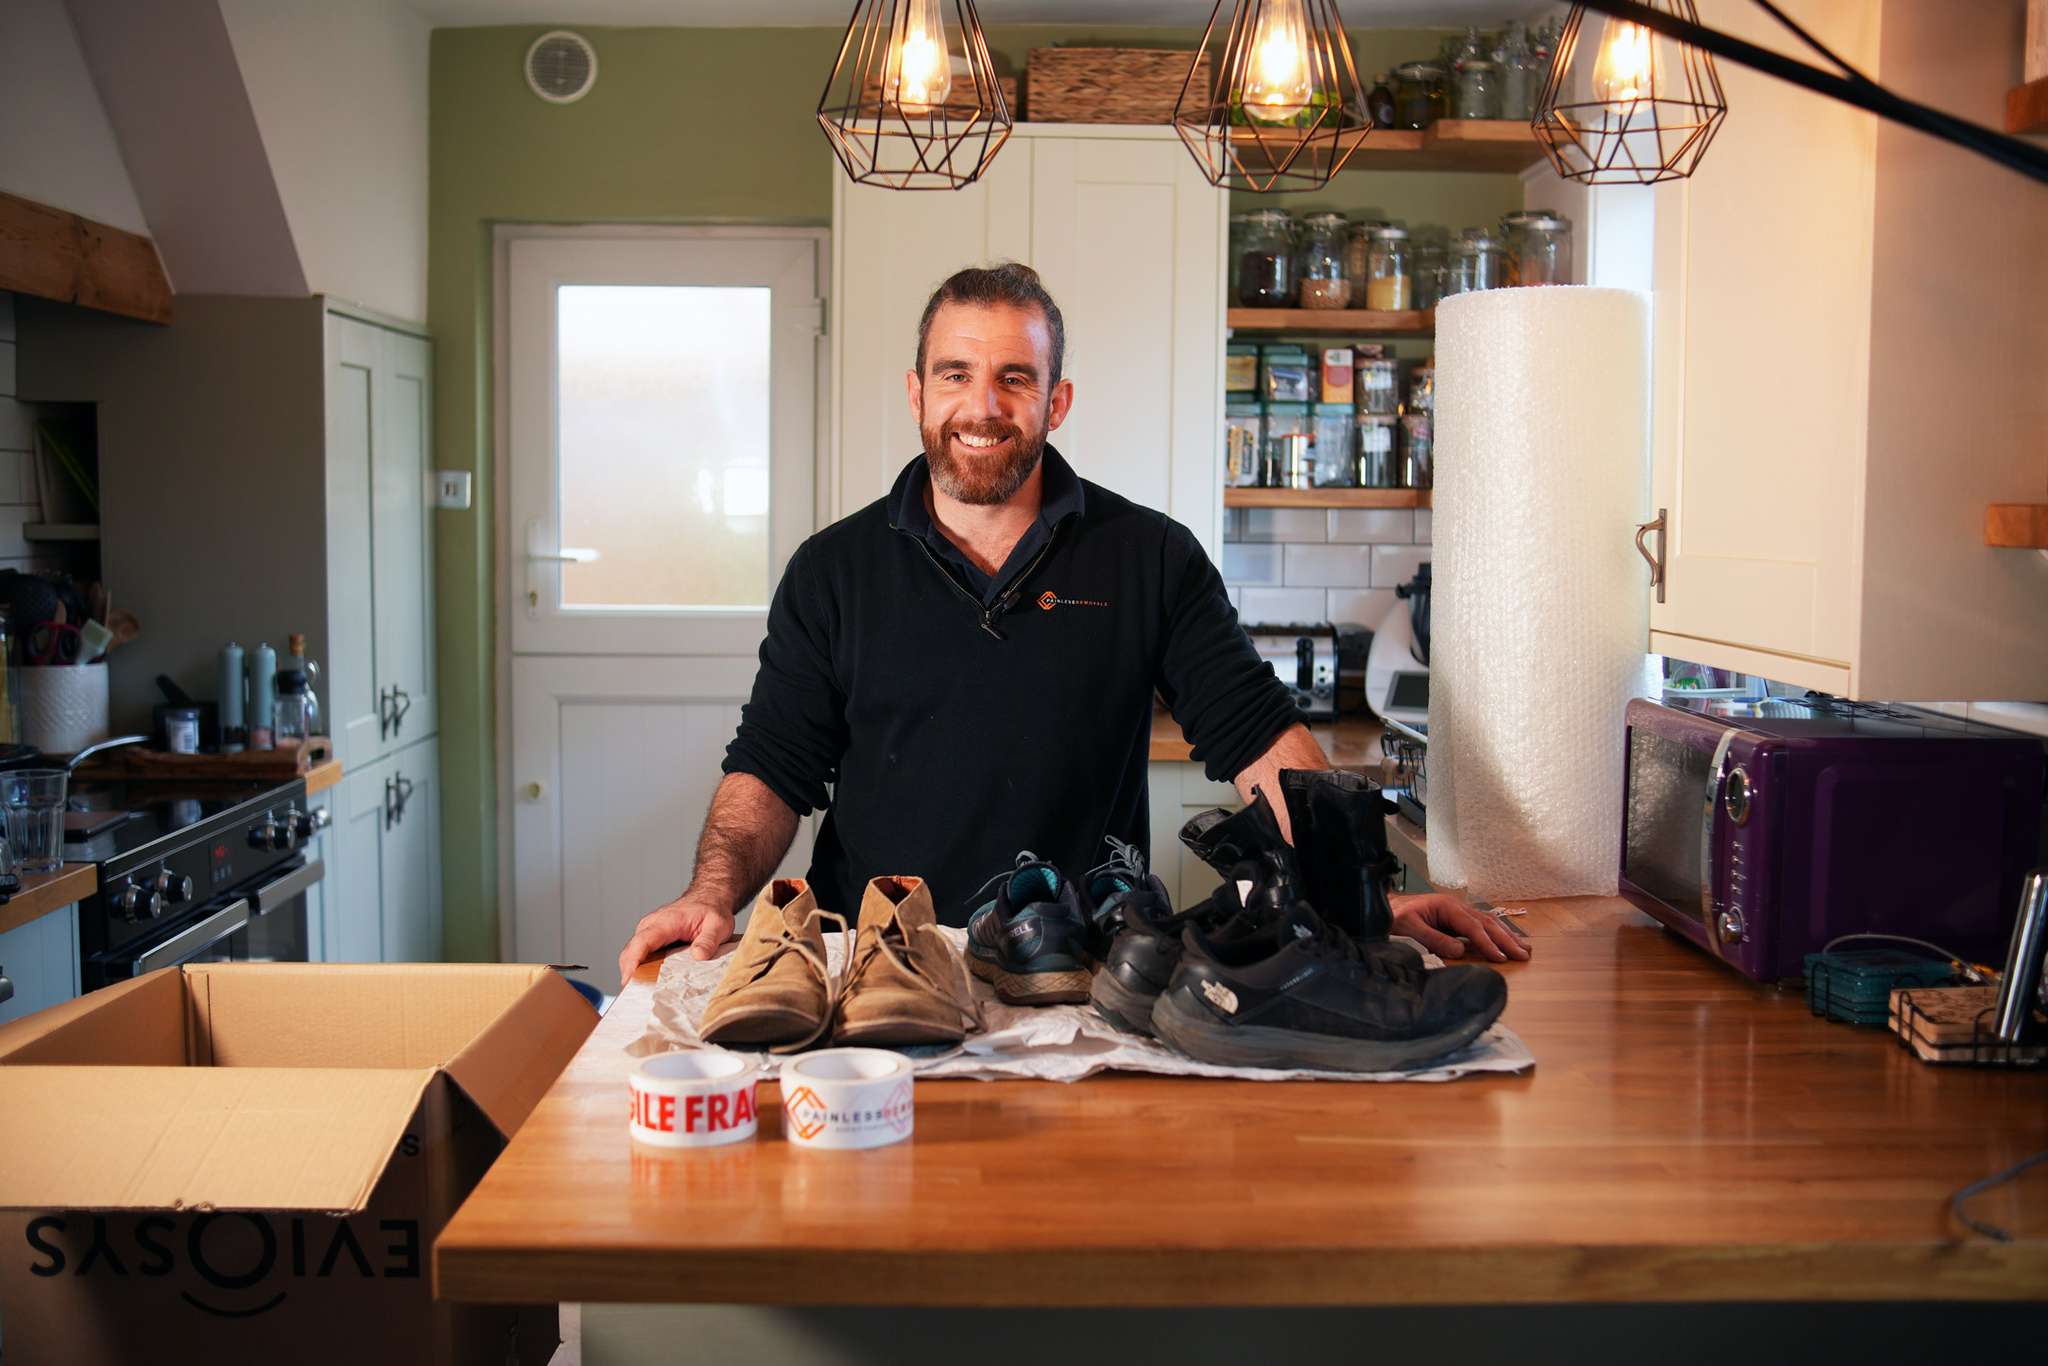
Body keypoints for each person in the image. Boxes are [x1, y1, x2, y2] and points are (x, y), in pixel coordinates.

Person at [618, 264, 1526, 986]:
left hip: (1084, 962)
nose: (982, 406)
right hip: (877, 965)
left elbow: (1254, 733)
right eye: (956, 375)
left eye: (1015, 378)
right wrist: (712, 893)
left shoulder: (1149, 558)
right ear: (916, 394)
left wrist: (1357, 894)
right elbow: (773, 765)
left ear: (1055, 403)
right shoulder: (833, 571)